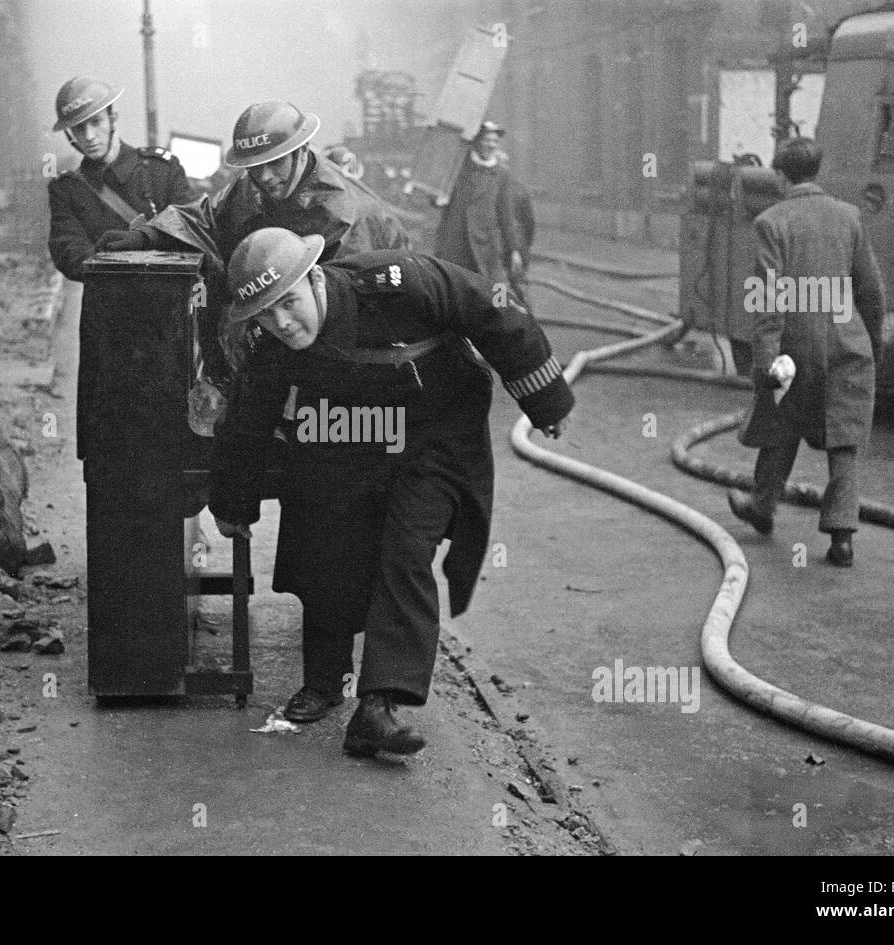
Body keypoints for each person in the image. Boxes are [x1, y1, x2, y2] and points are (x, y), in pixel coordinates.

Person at [208, 227, 574, 754]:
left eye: (288, 303)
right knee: (323, 537)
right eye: (266, 314)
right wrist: (232, 502)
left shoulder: (397, 283)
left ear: (314, 279)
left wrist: (546, 400)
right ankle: (323, 681)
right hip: (348, 434)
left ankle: (378, 705)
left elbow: (495, 308)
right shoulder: (270, 345)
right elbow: (248, 418)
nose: (282, 323)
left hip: (436, 431)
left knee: (405, 549)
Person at [95, 101, 410, 380]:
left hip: (364, 334)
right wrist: (148, 234)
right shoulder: (255, 186)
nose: (267, 176)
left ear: (302, 150)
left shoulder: (343, 217)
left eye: (276, 163)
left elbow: (346, 312)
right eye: (256, 167)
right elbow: (207, 216)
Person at [727, 136, 885, 567]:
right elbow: (870, 290)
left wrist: (766, 364)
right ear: (817, 171)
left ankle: (762, 508)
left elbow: (769, 301)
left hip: (795, 349)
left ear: (780, 175)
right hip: (848, 343)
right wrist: (873, 342)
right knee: (844, 439)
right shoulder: (849, 216)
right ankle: (842, 539)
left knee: (781, 424)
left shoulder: (770, 222)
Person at [46, 76, 198, 283]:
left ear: (112, 118)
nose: (89, 136)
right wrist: (113, 259)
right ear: (70, 134)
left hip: (169, 301)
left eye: (96, 122)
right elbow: (68, 253)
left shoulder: (161, 169)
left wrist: (144, 238)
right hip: (109, 305)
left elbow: (191, 228)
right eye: (79, 128)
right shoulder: (67, 189)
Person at [433, 120, 533, 304]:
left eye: (495, 141)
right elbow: (438, 197)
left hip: (489, 245)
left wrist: (513, 250)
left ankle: (503, 323)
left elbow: (506, 215)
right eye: (487, 140)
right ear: (477, 141)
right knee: (457, 295)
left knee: (498, 291)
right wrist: (436, 197)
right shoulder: (458, 168)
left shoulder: (501, 174)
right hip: (457, 244)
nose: (491, 145)